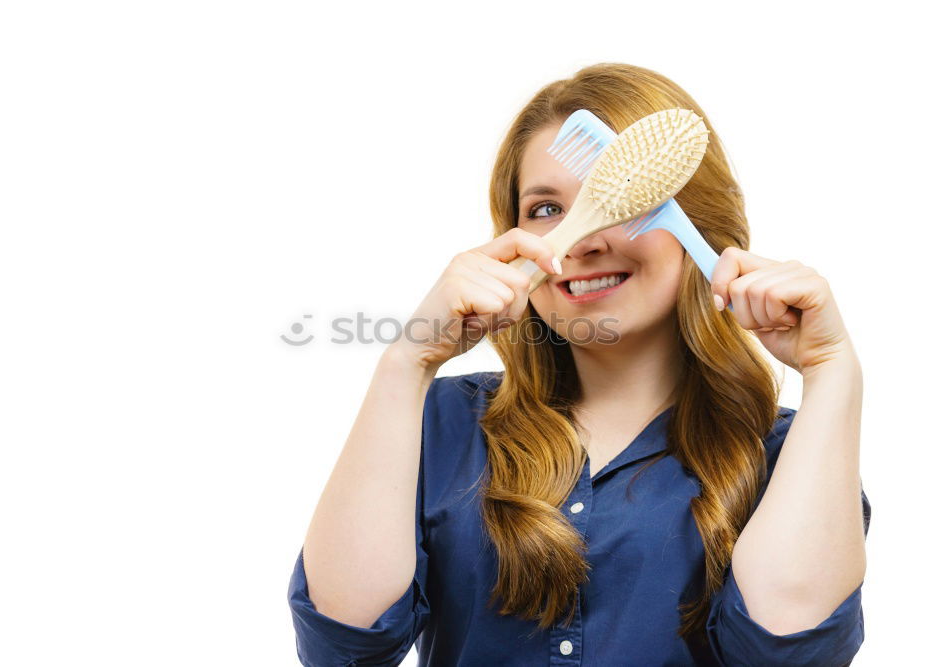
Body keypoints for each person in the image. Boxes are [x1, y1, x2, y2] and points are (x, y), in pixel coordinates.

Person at [287, 63, 871, 666]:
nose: (581, 241)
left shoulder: (787, 454)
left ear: (698, 224)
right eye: (544, 210)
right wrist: (406, 361)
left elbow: (789, 654)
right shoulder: (441, 423)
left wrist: (833, 370)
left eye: (628, 203)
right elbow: (342, 645)